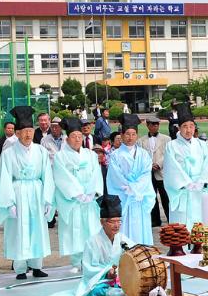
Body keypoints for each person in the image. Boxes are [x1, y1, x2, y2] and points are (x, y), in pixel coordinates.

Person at [31, 195, 131, 296]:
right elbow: (89, 269)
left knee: (129, 289)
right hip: (98, 281)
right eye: (112, 222)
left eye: (119, 221)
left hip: (119, 280)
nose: (116, 225)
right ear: (102, 222)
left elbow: (135, 251)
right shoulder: (92, 242)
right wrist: (107, 272)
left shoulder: (122, 239)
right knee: (99, 291)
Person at [0, 106, 54, 279]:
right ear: (17, 133)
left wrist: (48, 200)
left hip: (36, 193)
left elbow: (47, 176)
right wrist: (8, 203)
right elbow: (4, 178)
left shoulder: (41, 151)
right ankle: (20, 268)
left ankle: (37, 266)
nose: (28, 135)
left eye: (30, 131)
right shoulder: (8, 153)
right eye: (24, 131)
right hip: (18, 193)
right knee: (18, 230)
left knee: (36, 228)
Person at [52, 117, 103, 271]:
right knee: (74, 231)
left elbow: (96, 174)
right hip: (73, 200)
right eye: (74, 137)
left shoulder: (90, 155)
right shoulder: (60, 156)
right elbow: (62, 177)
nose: (77, 140)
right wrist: (77, 193)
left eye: (79, 137)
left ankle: (92, 259)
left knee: (90, 230)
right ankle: (76, 261)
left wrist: (91, 192)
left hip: (88, 199)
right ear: (67, 139)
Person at [163, 103, 208, 228]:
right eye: (185, 126)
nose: (188, 130)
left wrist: (201, 182)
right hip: (183, 191)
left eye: (191, 126)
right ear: (179, 128)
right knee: (184, 228)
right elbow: (172, 169)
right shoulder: (172, 146)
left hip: (200, 189)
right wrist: (186, 183)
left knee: (203, 225)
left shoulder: (202, 145)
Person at [106, 114, 156, 245]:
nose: (130, 137)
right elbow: (114, 176)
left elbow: (146, 174)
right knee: (125, 232)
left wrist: (135, 188)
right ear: (121, 135)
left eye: (133, 134)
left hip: (139, 198)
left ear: (137, 135)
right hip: (124, 198)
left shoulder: (144, 154)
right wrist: (127, 187)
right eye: (127, 134)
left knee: (141, 231)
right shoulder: (116, 155)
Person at [138, 114, 171, 227]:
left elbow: (168, 153)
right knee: (151, 197)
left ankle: (170, 218)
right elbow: (141, 156)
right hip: (148, 172)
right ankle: (155, 220)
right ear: (148, 125)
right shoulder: (141, 141)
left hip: (161, 172)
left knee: (165, 197)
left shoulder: (166, 139)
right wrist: (149, 165)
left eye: (157, 124)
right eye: (153, 124)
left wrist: (158, 164)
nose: (155, 126)